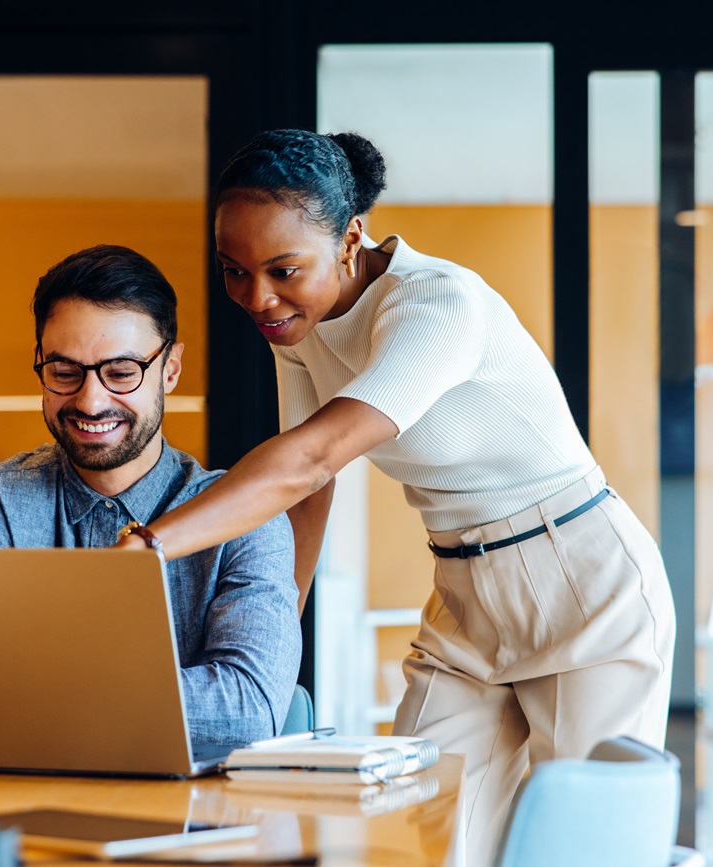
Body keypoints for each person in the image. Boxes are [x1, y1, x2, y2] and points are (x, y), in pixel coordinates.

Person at [111, 129, 676, 864]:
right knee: (411, 834)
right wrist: (275, 639)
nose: (257, 297)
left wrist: (150, 545)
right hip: (464, 594)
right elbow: (306, 496)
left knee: (580, 849)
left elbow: (313, 457)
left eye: (283, 269)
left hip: (581, 580)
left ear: (350, 240)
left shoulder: (437, 303)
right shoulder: (298, 329)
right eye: (234, 271)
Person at [0, 244, 301, 748]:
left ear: (170, 370)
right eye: (64, 372)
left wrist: (35, 692)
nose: (91, 401)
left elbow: (247, 711)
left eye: (120, 372)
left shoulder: (249, 519)